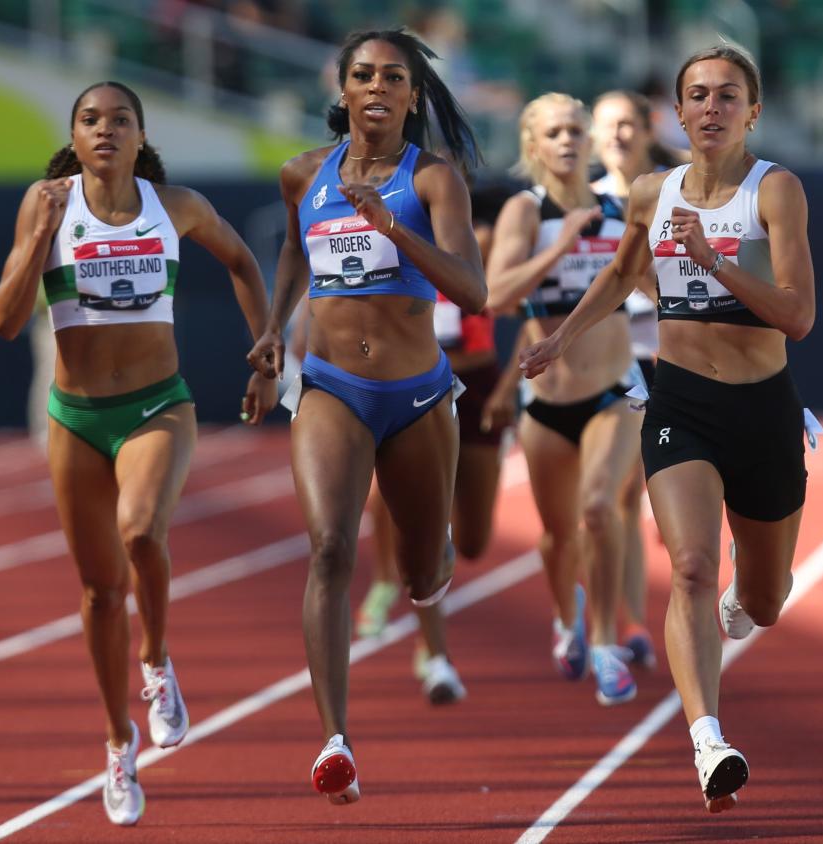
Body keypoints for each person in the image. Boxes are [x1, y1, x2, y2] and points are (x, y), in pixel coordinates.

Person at [519, 45, 815, 812]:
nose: (711, 107)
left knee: (769, 597)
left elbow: (799, 315)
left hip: (763, 407)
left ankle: (742, 605)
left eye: (727, 95)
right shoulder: (651, 192)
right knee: (687, 566)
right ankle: (708, 738)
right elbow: (620, 274)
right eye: (697, 95)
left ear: (752, 111)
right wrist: (560, 338)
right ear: (676, 114)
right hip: (680, 403)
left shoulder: (774, 191)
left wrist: (710, 260)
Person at [0, 81, 276, 827]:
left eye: (120, 120)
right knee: (94, 592)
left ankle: (157, 661)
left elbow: (244, 263)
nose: (105, 130)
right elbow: (3, 317)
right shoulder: (46, 203)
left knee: (142, 530)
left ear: (140, 136)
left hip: (158, 404)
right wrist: (37, 238)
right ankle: (118, 743)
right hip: (76, 418)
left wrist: (266, 350)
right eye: (91, 121)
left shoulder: (173, 206)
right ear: (76, 136)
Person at [246, 28, 485, 805]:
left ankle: (432, 550)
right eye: (363, 75)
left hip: (417, 394)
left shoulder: (436, 179)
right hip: (332, 386)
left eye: (394, 77)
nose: (377, 87)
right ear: (342, 89)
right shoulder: (302, 176)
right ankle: (335, 742)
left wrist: (390, 225)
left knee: (422, 573)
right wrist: (275, 330)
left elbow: (473, 292)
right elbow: (291, 253)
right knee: (328, 551)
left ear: (413, 97)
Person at [486, 92, 643, 707]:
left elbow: (656, 286)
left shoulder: (621, 207)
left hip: (613, 389)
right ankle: (564, 615)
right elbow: (496, 294)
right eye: (553, 132)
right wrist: (562, 243)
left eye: (576, 129)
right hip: (546, 402)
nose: (568, 141)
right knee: (557, 535)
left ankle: (605, 640)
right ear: (534, 144)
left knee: (602, 510)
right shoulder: (526, 212)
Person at [355, 178, 512, 705]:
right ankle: (430, 647)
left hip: (477, 383)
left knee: (471, 541)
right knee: (418, 520)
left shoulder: (481, 239)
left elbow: (496, 287)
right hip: (420, 387)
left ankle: (417, 600)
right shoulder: (386, 238)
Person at [590, 88, 684, 669]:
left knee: (685, 490)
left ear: (646, 129)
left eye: (628, 123)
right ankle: (630, 620)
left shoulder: (672, 193)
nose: (619, 135)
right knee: (621, 495)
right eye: (608, 125)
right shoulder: (588, 203)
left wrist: (646, 281)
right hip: (617, 363)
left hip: (680, 356)